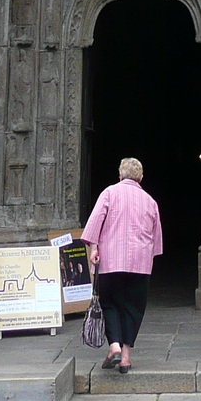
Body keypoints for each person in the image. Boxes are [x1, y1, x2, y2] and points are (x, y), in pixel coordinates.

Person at [82, 157, 162, 374]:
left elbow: (95, 222)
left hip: (111, 261)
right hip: (140, 264)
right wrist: (148, 259)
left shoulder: (109, 193)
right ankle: (125, 357)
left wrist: (94, 248)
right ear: (141, 178)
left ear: (120, 175)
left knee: (109, 303)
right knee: (133, 308)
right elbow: (157, 240)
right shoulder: (150, 201)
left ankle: (114, 346)